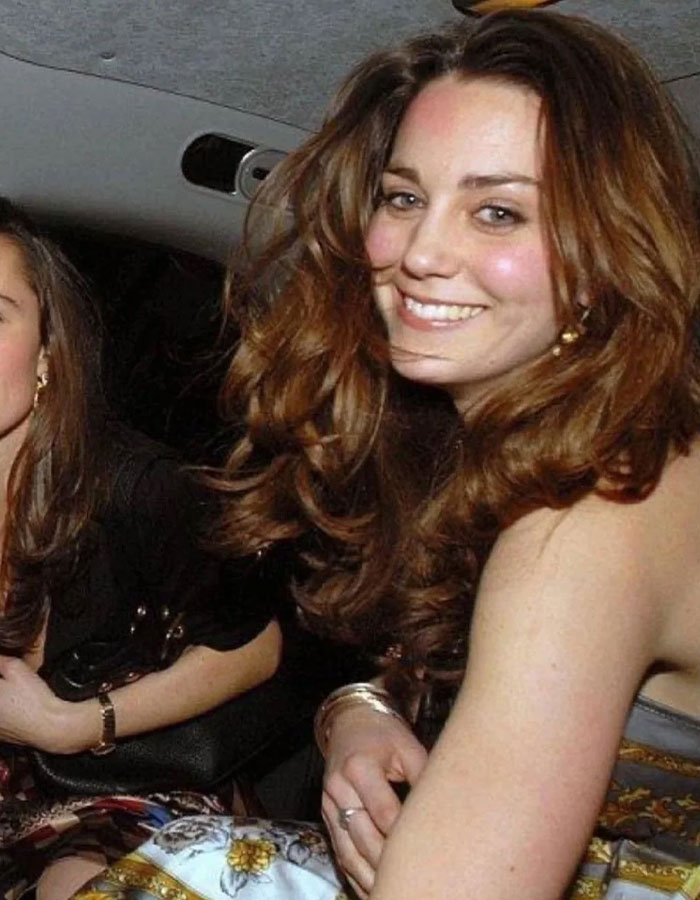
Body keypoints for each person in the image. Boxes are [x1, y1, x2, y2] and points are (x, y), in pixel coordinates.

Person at [71, 9, 700, 900]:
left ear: (607, 253)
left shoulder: (595, 516)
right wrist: (358, 711)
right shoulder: (490, 448)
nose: (421, 253)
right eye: (404, 198)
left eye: (498, 212)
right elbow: (425, 660)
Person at [0, 198, 283, 900]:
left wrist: (75, 725)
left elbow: (255, 646)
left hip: (122, 787)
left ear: (47, 351)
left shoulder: (140, 488)